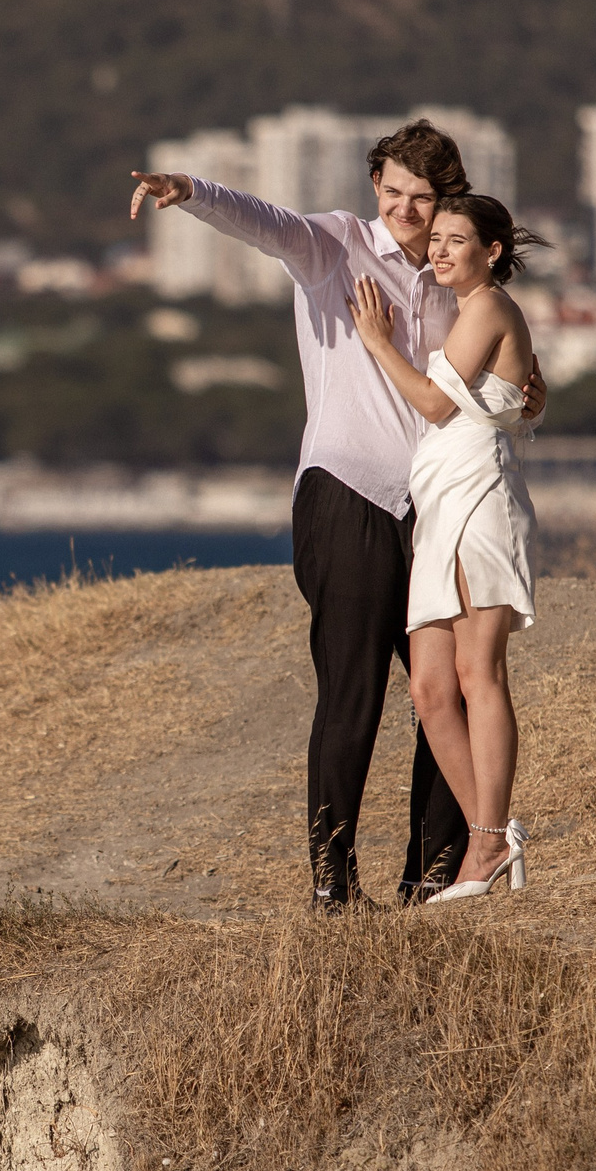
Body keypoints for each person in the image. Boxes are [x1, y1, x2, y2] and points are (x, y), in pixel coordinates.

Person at [129, 123, 543, 909]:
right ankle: (334, 885)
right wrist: (190, 190)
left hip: (436, 506)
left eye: (422, 197)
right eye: (391, 191)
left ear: (448, 199)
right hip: (347, 491)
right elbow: (266, 221)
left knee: (445, 692)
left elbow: (499, 376)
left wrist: (530, 390)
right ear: (374, 187)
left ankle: (435, 874)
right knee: (352, 691)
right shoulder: (335, 245)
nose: (404, 209)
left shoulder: (458, 280)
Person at [349, 194, 546, 901]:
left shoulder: (489, 305)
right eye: (435, 239)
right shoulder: (470, 313)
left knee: (477, 672)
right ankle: (489, 838)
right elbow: (522, 396)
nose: (437, 249)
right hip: (439, 504)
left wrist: (377, 340)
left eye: (455, 239)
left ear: (490, 251)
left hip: (478, 499)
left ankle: (486, 846)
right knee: (430, 690)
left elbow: (436, 403)